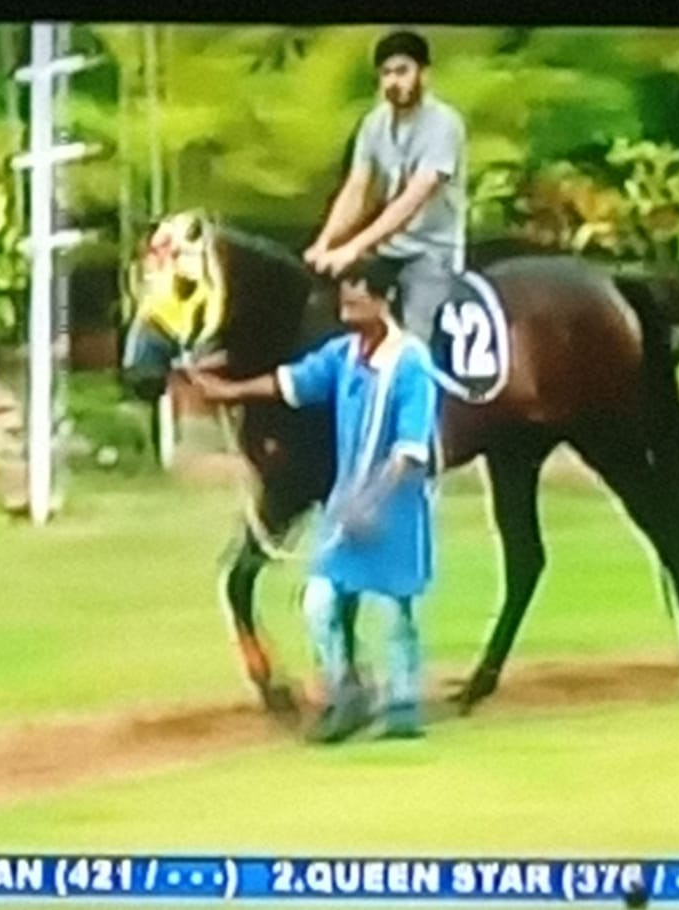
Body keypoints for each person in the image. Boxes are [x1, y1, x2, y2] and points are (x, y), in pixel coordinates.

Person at [186, 257, 439, 744]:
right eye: (345, 295)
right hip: (348, 507)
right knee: (320, 602)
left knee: (396, 607)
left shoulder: (412, 364)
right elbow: (291, 383)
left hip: (395, 508)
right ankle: (346, 694)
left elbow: (411, 450)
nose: (345, 304)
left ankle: (404, 706)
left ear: (384, 300)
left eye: (357, 296)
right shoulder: (342, 355)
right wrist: (229, 391)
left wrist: (373, 502)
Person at [303, 29, 466, 346]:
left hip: (430, 253)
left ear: (423, 73)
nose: (393, 81)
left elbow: (413, 199)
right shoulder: (373, 124)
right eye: (386, 73)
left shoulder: (444, 124)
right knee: (329, 311)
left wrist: (353, 248)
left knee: (414, 343)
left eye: (402, 71)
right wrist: (324, 243)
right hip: (384, 250)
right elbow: (356, 189)